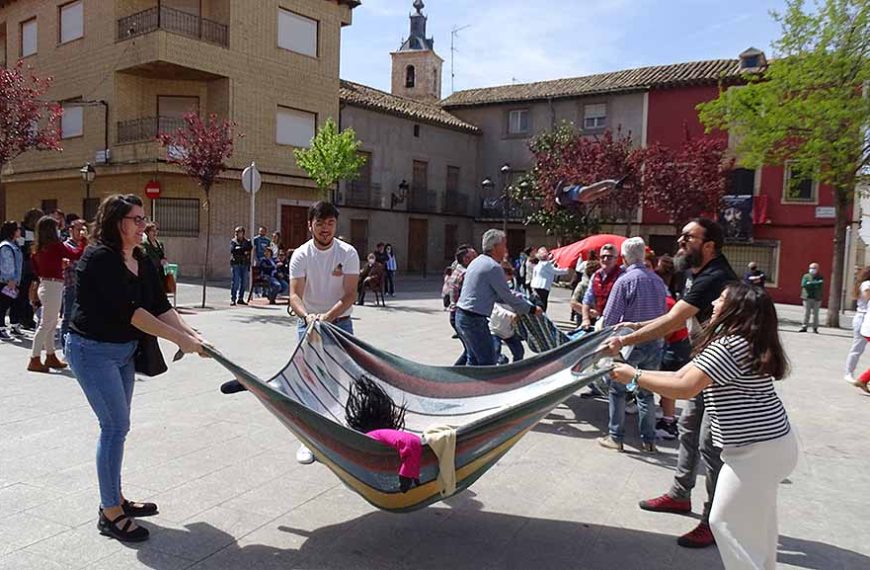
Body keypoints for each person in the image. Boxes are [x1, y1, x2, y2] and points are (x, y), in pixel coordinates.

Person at [610, 283, 795, 570]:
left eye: (721, 299)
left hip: (756, 452)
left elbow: (684, 387)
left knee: (724, 521)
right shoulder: (743, 339)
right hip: (771, 445)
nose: (714, 303)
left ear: (736, 308)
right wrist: (635, 372)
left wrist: (633, 376)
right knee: (759, 521)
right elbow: (682, 374)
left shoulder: (729, 345)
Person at [66, 194, 205, 543]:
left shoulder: (140, 259)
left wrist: (193, 334)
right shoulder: (99, 258)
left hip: (124, 352)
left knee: (117, 428)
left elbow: (158, 305)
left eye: (144, 219)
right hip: (91, 351)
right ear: (117, 222)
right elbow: (134, 313)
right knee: (114, 426)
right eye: (137, 219)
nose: (143, 225)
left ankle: (116, 497)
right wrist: (179, 340)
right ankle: (109, 511)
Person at [603, 218, 737, 549]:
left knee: (710, 445)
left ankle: (714, 520)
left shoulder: (715, 276)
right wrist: (637, 324)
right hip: (706, 361)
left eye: (688, 237)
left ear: (709, 246)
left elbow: (673, 320)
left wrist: (626, 339)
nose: (680, 242)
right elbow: (674, 314)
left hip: (724, 372)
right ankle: (680, 494)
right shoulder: (701, 273)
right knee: (689, 428)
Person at [289, 201, 360, 464]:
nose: (325, 229)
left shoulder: (348, 253)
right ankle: (309, 440)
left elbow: (351, 293)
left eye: (330, 223)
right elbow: (294, 294)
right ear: (310, 225)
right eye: (319, 223)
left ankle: (336, 433)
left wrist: (329, 317)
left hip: (340, 323)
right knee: (309, 379)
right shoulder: (301, 255)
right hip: (308, 323)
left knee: (340, 379)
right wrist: (308, 317)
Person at [598, 237, 666, 453]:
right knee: (645, 392)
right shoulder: (657, 281)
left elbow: (610, 318)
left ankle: (615, 436)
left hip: (630, 344)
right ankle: (648, 440)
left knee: (617, 390)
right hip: (655, 342)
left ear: (624, 257)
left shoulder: (625, 281)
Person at [455, 229, 541, 366]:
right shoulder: (493, 267)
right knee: (487, 362)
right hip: (474, 320)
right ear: (495, 247)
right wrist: (530, 309)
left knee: (474, 359)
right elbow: (507, 296)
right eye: (504, 245)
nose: (506, 250)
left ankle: (464, 386)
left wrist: (522, 298)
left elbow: (498, 294)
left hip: (463, 316)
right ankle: (480, 387)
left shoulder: (477, 262)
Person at [28, 215, 85, 373]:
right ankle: (34, 358)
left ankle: (50, 355)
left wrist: (58, 265)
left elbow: (38, 269)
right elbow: (75, 254)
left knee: (51, 323)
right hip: (53, 287)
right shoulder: (56, 246)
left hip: (45, 285)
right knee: (46, 324)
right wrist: (83, 241)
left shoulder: (37, 249)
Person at [654, 255, 688, 441]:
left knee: (667, 386)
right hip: (678, 344)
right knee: (666, 387)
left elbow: (666, 331)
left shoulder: (666, 301)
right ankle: (666, 415)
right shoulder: (671, 298)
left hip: (673, 347)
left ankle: (669, 424)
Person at [11, 208, 43, 331]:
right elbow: (21, 248)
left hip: (35, 266)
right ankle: (23, 319)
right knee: (23, 293)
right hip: (25, 266)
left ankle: (29, 318)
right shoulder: (23, 231)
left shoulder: (37, 231)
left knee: (36, 293)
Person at [60, 218, 88, 350]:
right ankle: (65, 346)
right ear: (70, 230)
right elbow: (75, 264)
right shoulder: (66, 246)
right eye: (78, 229)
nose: (81, 233)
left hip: (85, 287)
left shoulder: (86, 246)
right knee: (68, 317)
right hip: (71, 285)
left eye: (83, 229)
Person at [447, 245, 477, 366]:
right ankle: (455, 375)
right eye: (474, 256)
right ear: (466, 259)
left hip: (455, 314)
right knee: (471, 351)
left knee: (470, 350)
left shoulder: (457, 269)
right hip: (461, 314)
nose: (477, 258)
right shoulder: (465, 274)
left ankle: (454, 373)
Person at [581, 244, 623, 329]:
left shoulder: (622, 276)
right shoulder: (595, 276)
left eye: (609, 257)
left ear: (616, 259)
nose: (605, 259)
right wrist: (585, 319)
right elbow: (587, 300)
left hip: (617, 324)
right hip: (600, 321)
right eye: (603, 256)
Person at [490, 264, 525, 363]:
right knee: (495, 351)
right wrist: (509, 314)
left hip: (509, 330)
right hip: (495, 328)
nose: (510, 277)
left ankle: (515, 370)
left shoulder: (512, 285)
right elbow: (496, 307)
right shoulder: (494, 288)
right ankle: (501, 361)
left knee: (519, 351)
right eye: (508, 274)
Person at [844, 267, 870, 384]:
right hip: (863, 318)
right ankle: (849, 373)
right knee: (857, 348)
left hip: (864, 317)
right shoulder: (866, 284)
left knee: (857, 348)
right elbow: (867, 295)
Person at [0, 221, 24, 340]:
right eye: (18, 229)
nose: (20, 231)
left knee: (16, 303)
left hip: (16, 280)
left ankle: (14, 325)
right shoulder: (6, 246)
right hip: (8, 281)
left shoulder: (15, 244)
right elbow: (7, 263)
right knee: (3, 305)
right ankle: (1, 328)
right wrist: (10, 279)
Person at [530, 246, 569, 312]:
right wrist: (567, 269)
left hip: (535, 285)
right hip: (543, 286)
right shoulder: (546, 264)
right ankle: (541, 317)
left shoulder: (539, 264)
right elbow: (556, 271)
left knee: (537, 302)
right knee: (542, 304)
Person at [570, 259, 600, 326]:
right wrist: (589, 312)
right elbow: (573, 303)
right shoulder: (583, 285)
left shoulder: (602, 285)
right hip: (583, 318)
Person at [230, 227, 252, 306]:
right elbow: (233, 250)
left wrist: (240, 249)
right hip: (236, 264)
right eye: (236, 232)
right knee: (235, 282)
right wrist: (242, 250)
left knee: (244, 282)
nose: (236, 233)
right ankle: (233, 299)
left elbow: (249, 250)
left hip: (244, 264)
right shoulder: (233, 241)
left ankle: (241, 298)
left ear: (243, 233)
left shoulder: (247, 242)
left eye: (238, 232)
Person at [799, 263, 823, 333]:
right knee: (806, 313)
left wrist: (810, 283)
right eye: (811, 268)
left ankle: (815, 328)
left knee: (816, 314)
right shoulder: (806, 276)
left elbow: (820, 284)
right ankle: (804, 327)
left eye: (814, 268)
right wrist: (814, 283)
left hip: (817, 298)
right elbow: (804, 284)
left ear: (817, 269)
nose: (812, 269)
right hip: (807, 297)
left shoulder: (820, 276)